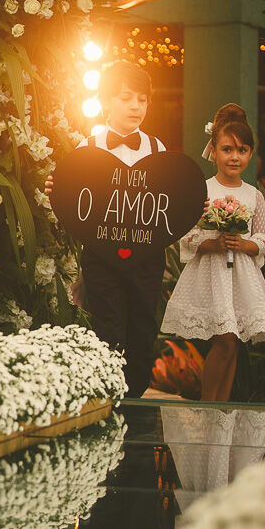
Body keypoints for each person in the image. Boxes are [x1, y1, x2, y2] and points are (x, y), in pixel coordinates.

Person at [44, 61, 169, 397]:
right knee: (108, 328)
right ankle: (108, 401)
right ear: (104, 101)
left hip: (147, 258)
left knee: (144, 328)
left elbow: (168, 201)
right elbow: (74, 200)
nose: (135, 106)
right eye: (126, 97)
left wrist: (189, 204)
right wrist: (58, 191)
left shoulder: (157, 149)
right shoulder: (87, 149)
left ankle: (136, 402)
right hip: (102, 257)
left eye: (142, 99)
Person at [160, 104, 265, 401]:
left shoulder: (253, 195)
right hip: (211, 275)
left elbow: (263, 239)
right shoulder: (203, 190)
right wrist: (212, 243)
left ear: (250, 153)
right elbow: (186, 235)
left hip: (240, 278)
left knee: (233, 342)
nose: (234, 157)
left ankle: (220, 408)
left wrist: (246, 244)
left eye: (242, 150)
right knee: (224, 340)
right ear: (213, 151)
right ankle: (208, 404)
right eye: (227, 149)